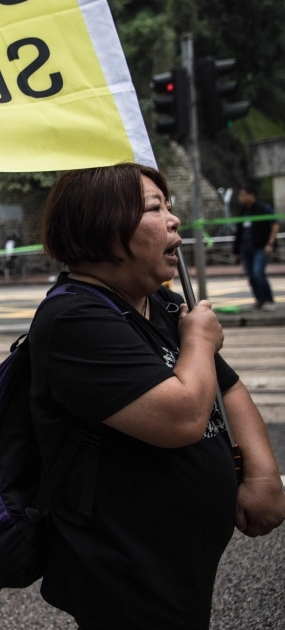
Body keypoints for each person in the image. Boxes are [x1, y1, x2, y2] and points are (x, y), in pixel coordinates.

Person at [31, 164, 285, 629]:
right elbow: (182, 417)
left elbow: (227, 388)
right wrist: (200, 341)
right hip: (126, 568)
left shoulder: (162, 303)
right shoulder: (74, 319)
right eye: (155, 208)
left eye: (169, 206)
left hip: (177, 562)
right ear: (103, 224)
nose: (175, 220)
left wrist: (264, 475)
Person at [233, 185, 278, 310]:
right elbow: (239, 231)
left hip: (260, 246)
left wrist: (270, 243)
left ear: (251, 196)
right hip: (246, 248)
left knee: (258, 273)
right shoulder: (243, 211)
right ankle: (260, 300)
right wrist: (236, 250)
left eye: (243, 195)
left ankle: (268, 300)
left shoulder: (263, 209)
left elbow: (274, 225)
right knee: (251, 275)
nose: (240, 198)